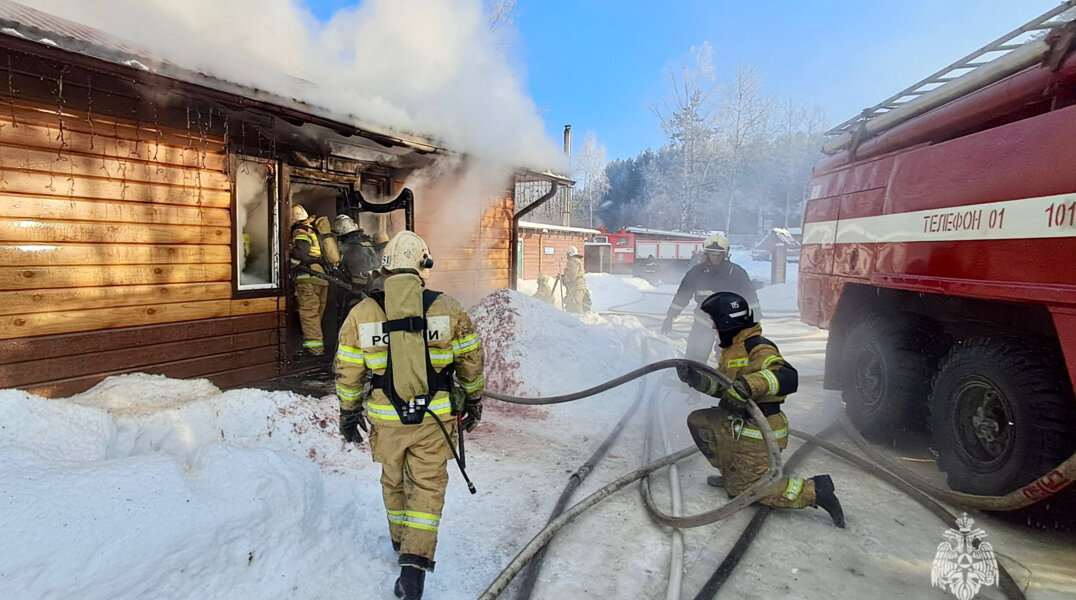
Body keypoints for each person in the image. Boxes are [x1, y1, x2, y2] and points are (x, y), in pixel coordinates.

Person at [334, 231, 485, 600]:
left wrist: (348, 413)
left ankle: (402, 544)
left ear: (385, 267)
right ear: (423, 265)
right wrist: (472, 400)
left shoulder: (363, 313)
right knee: (427, 489)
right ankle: (414, 569)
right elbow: (471, 362)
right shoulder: (448, 309)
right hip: (434, 420)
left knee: (394, 481)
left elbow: (348, 371)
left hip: (386, 421)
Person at [676, 291, 845, 527]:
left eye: (716, 322)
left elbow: (787, 376)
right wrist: (695, 379)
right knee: (699, 420)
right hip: (738, 424)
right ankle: (733, 473)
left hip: (759, 430)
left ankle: (815, 491)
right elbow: (725, 389)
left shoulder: (758, 348)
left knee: (747, 492)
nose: (713, 327)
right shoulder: (732, 350)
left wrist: (747, 386)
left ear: (727, 322)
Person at [662, 234, 759, 362]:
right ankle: (694, 380)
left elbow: (750, 297)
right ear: (707, 254)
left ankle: (725, 381)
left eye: (719, 255)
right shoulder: (696, 273)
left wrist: (755, 320)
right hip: (703, 322)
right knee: (695, 358)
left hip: (729, 325)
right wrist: (670, 316)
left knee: (728, 360)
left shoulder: (736, 273)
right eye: (713, 254)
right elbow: (682, 295)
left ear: (725, 255)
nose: (716, 258)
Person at [289, 204, 329, 356]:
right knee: (316, 316)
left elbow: (300, 252)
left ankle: (314, 351)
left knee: (309, 316)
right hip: (321, 277)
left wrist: (289, 256)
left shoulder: (300, 231)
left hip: (308, 279)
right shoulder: (313, 231)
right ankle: (313, 347)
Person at [332, 214, 381, 295]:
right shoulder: (368, 241)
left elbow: (352, 273)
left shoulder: (351, 247)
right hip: (375, 286)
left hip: (359, 291)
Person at [560, 245, 590, 313]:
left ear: (570, 253)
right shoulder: (576, 261)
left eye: (567, 254)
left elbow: (572, 275)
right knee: (575, 303)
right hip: (577, 285)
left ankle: (579, 318)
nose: (566, 256)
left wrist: (564, 279)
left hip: (576, 286)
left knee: (576, 303)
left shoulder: (573, 261)